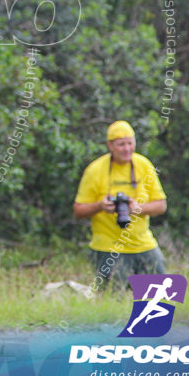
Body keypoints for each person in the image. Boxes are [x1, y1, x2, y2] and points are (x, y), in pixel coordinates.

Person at [73, 120, 168, 291]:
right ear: (110, 145)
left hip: (143, 244)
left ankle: (155, 319)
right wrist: (100, 206)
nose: (126, 149)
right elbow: (78, 210)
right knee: (114, 302)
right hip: (108, 247)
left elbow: (161, 205)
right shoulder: (95, 170)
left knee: (161, 294)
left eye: (130, 143)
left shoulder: (144, 165)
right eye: (121, 144)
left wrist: (137, 209)